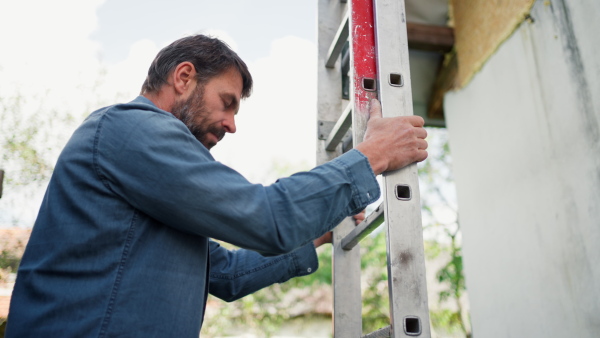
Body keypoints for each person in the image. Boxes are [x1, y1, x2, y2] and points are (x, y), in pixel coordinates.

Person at [6, 34, 428, 337]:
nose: (232, 124)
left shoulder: (153, 177)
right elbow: (267, 217)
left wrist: (314, 236)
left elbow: (223, 273)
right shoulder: (132, 131)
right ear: (184, 77)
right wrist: (372, 154)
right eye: (227, 102)